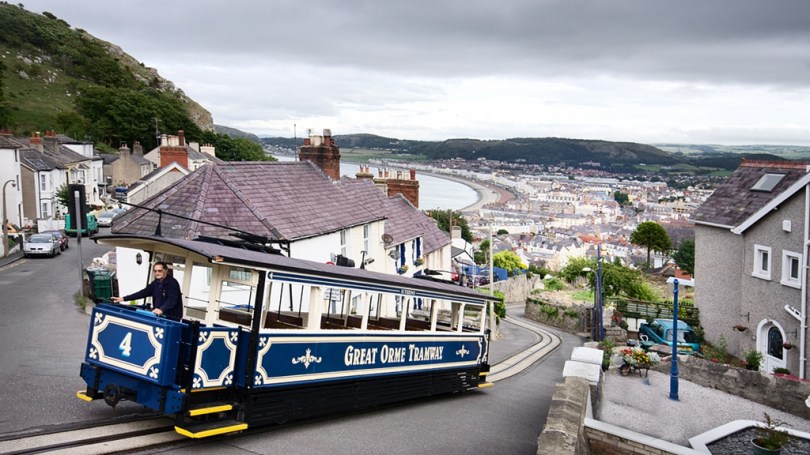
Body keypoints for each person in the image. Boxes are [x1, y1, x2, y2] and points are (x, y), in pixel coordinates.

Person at [112, 261, 183, 321]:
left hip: (171, 318)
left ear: (166, 271)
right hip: (159, 317)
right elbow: (143, 293)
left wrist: (161, 309)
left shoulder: (172, 283)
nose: (157, 273)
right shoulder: (155, 283)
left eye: (159, 271)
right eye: (155, 271)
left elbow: (172, 300)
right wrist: (123, 298)